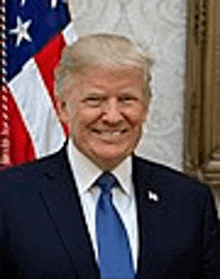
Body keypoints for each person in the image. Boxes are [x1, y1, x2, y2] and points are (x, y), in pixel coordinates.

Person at [0, 33, 220, 278]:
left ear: (145, 107)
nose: (113, 116)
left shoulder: (189, 202)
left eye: (127, 99)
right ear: (63, 108)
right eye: (95, 100)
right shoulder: (9, 199)